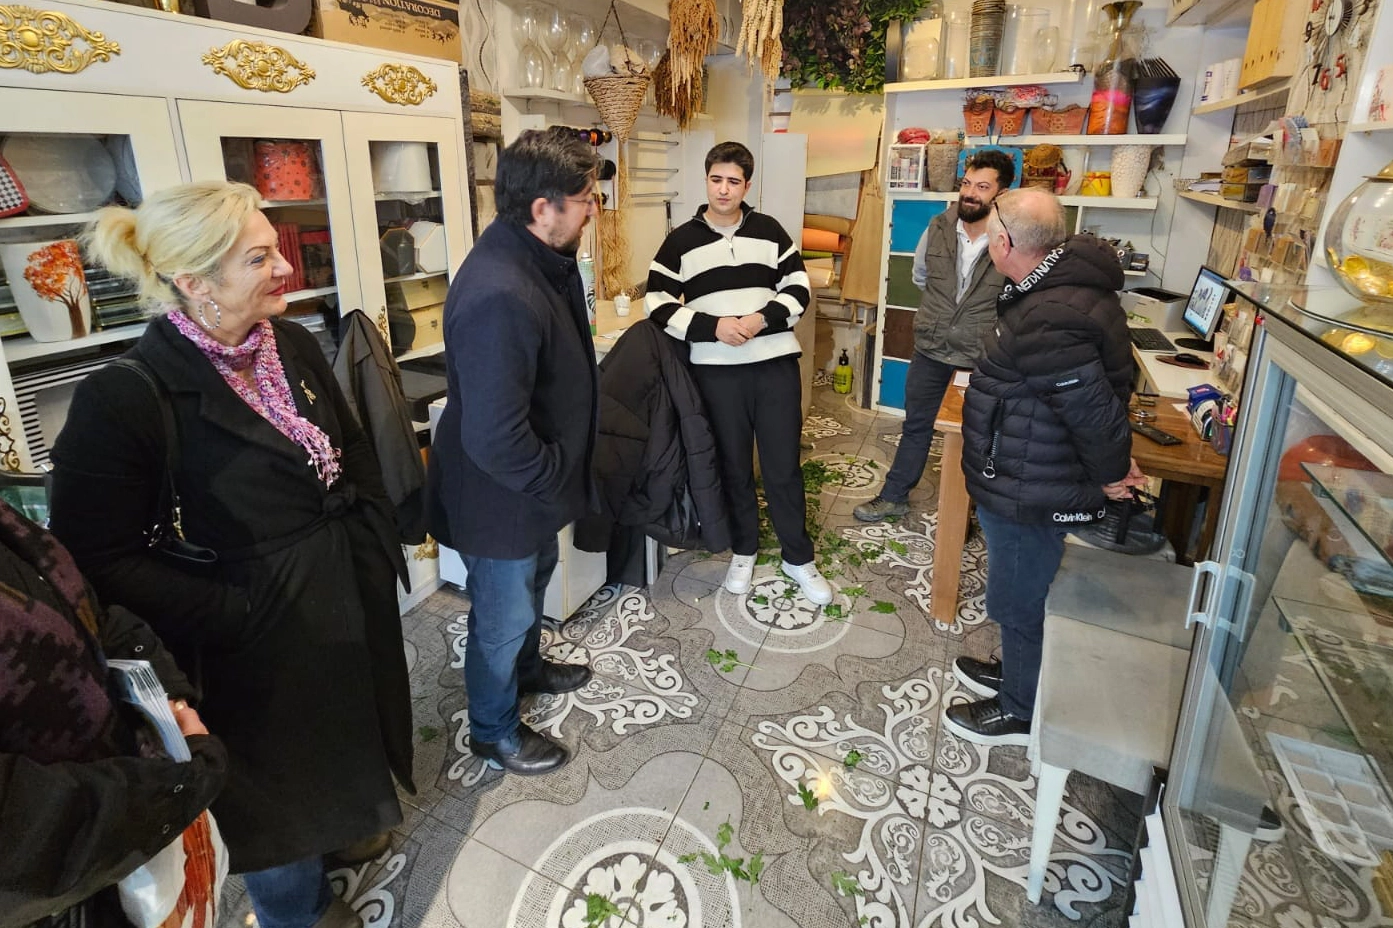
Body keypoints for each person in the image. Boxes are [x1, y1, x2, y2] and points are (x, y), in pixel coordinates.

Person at [47, 181, 415, 928]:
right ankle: (298, 912)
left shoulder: (292, 343)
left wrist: (371, 530)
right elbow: (97, 559)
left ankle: (346, 825)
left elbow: (351, 448)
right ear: (194, 282)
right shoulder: (124, 399)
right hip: (246, 645)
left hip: (336, 593)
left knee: (341, 732)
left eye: (275, 249)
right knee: (270, 789)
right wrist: (234, 611)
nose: (285, 267)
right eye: (258, 257)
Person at [944, 188, 1146, 747]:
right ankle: (1018, 673)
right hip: (1032, 462)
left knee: (1018, 598)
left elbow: (1089, 409)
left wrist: (1112, 473)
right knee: (1020, 586)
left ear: (1004, 242)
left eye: (991, 232)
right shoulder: (1057, 287)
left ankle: (1019, 710)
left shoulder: (1049, 313)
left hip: (1032, 479)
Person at [426, 127, 600, 777]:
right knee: (502, 617)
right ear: (542, 208)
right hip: (499, 495)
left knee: (534, 582)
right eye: (584, 200)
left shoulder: (532, 257)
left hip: (526, 490)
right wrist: (554, 475)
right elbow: (496, 436)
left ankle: (528, 670)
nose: (592, 210)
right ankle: (493, 731)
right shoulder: (501, 289)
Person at [0, 497, 226, 928]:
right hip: (69, 891)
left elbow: (86, 611)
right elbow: (17, 840)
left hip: (124, 831)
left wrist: (167, 697)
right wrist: (176, 789)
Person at [645, 141, 832, 605]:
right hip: (717, 373)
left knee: (782, 466)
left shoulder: (770, 231)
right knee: (733, 466)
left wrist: (760, 320)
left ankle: (797, 557)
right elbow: (657, 302)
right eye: (716, 179)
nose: (723, 189)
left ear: (747, 186)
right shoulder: (681, 240)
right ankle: (744, 550)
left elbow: (798, 287)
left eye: (733, 181)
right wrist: (713, 327)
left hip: (774, 367)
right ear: (706, 181)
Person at [855, 149, 1015, 522]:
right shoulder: (939, 227)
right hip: (932, 347)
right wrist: (945, 314)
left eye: (982, 187)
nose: (970, 193)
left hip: (980, 356)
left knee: (980, 434)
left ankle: (971, 512)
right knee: (916, 424)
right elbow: (920, 276)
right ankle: (894, 496)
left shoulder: (1010, 238)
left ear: (1002, 194)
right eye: (967, 184)